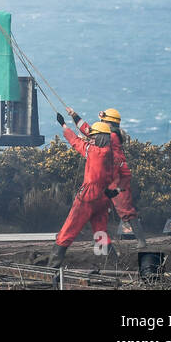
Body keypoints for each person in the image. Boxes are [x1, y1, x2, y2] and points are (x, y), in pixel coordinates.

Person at [67, 106, 147, 248]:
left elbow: (89, 132)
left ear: (108, 123)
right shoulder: (112, 135)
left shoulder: (112, 136)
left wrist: (75, 120)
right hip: (109, 175)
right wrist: (74, 115)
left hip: (115, 178)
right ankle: (101, 240)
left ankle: (141, 241)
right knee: (101, 209)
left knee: (125, 210)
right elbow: (90, 132)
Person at [50, 114, 116, 268]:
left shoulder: (93, 152)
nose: (90, 139)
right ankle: (113, 265)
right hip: (103, 197)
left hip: (88, 196)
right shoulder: (109, 150)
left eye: (93, 137)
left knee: (68, 230)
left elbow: (75, 142)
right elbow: (87, 136)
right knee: (101, 232)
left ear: (99, 138)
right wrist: (74, 116)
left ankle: (53, 267)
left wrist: (64, 126)